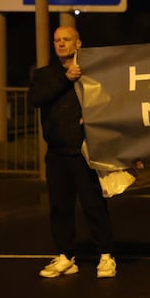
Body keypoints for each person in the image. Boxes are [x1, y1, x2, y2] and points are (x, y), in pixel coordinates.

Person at [30, 26, 117, 279]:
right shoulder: (46, 74)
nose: (60, 44)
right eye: (57, 40)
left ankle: (106, 255)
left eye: (66, 39)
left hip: (84, 151)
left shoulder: (92, 72)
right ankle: (66, 256)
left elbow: (109, 102)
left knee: (94, 204)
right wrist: (65, 78)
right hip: (56, 152)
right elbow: (36, 99)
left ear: (78, 43)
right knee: (60, 207)